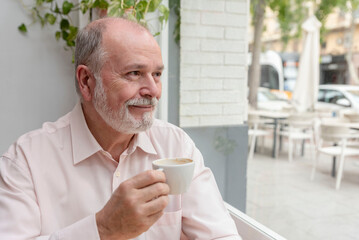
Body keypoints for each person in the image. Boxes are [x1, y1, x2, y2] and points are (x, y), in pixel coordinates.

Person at [0, 17, 241, 239]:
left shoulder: (176, 146)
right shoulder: (25, 162)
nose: (153, 90)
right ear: (86, 81)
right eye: (134, 73)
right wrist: (102, 229)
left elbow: (222, 235)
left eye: (156, 74)